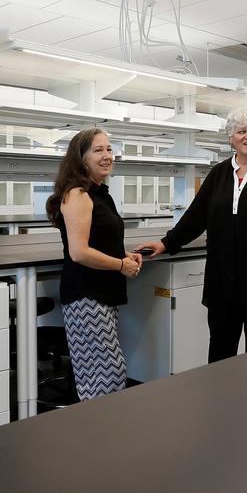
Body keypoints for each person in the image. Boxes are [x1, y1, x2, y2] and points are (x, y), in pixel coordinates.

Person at [137, 107, 247, 362]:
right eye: (241, 132)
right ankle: (219, 399)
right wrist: (166, 243)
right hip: (222, 278)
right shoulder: (219, 173)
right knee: (220, 346)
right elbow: (196, 216)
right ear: (231, 138)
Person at [46, 128, 142, 401]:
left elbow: (98, 241)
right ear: (81, 157)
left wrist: (124, 255)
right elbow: (79, 252)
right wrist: (121, 266)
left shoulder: (100, 194)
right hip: (85, 296)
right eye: (98, 150)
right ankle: (92, 437)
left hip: (102, 293)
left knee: (106, 374)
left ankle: (101, 436)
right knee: (105, 375)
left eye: (109, 149)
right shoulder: (77, 195)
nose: (107, 156)